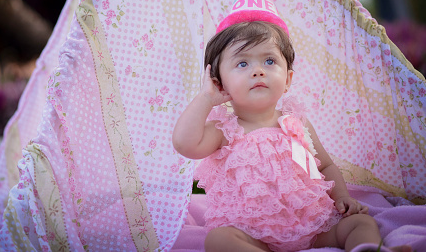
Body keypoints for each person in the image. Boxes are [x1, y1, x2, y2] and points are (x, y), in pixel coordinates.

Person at [172, 21, 411, 252]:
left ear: (287, 80)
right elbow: (184, 144)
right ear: (219, 83)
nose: (258, 71)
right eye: (242, 64)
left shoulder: (296, 121)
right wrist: (206, 98)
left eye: (269, 61)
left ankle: (367, 249)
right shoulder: (223, 129)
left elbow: (325, 165)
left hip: (313, 224)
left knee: (360, 223)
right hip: (252, 232)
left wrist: (342, 197)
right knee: (218, 240)